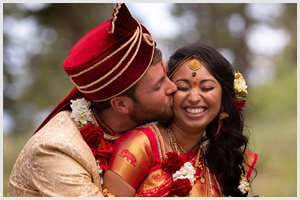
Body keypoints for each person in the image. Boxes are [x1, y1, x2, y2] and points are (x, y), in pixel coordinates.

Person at [7, 3, 177, 197]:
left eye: (166, 74)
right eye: (159, 85)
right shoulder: (57, 149)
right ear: (121, 105)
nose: (173, 87)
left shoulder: (144, 125)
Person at [103, 43, 258, 197]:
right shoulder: (141, 145)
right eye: (183, 88)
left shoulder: (221, 163)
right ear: (170, 92)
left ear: (224, 99)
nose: (194, 98)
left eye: (207, 88)